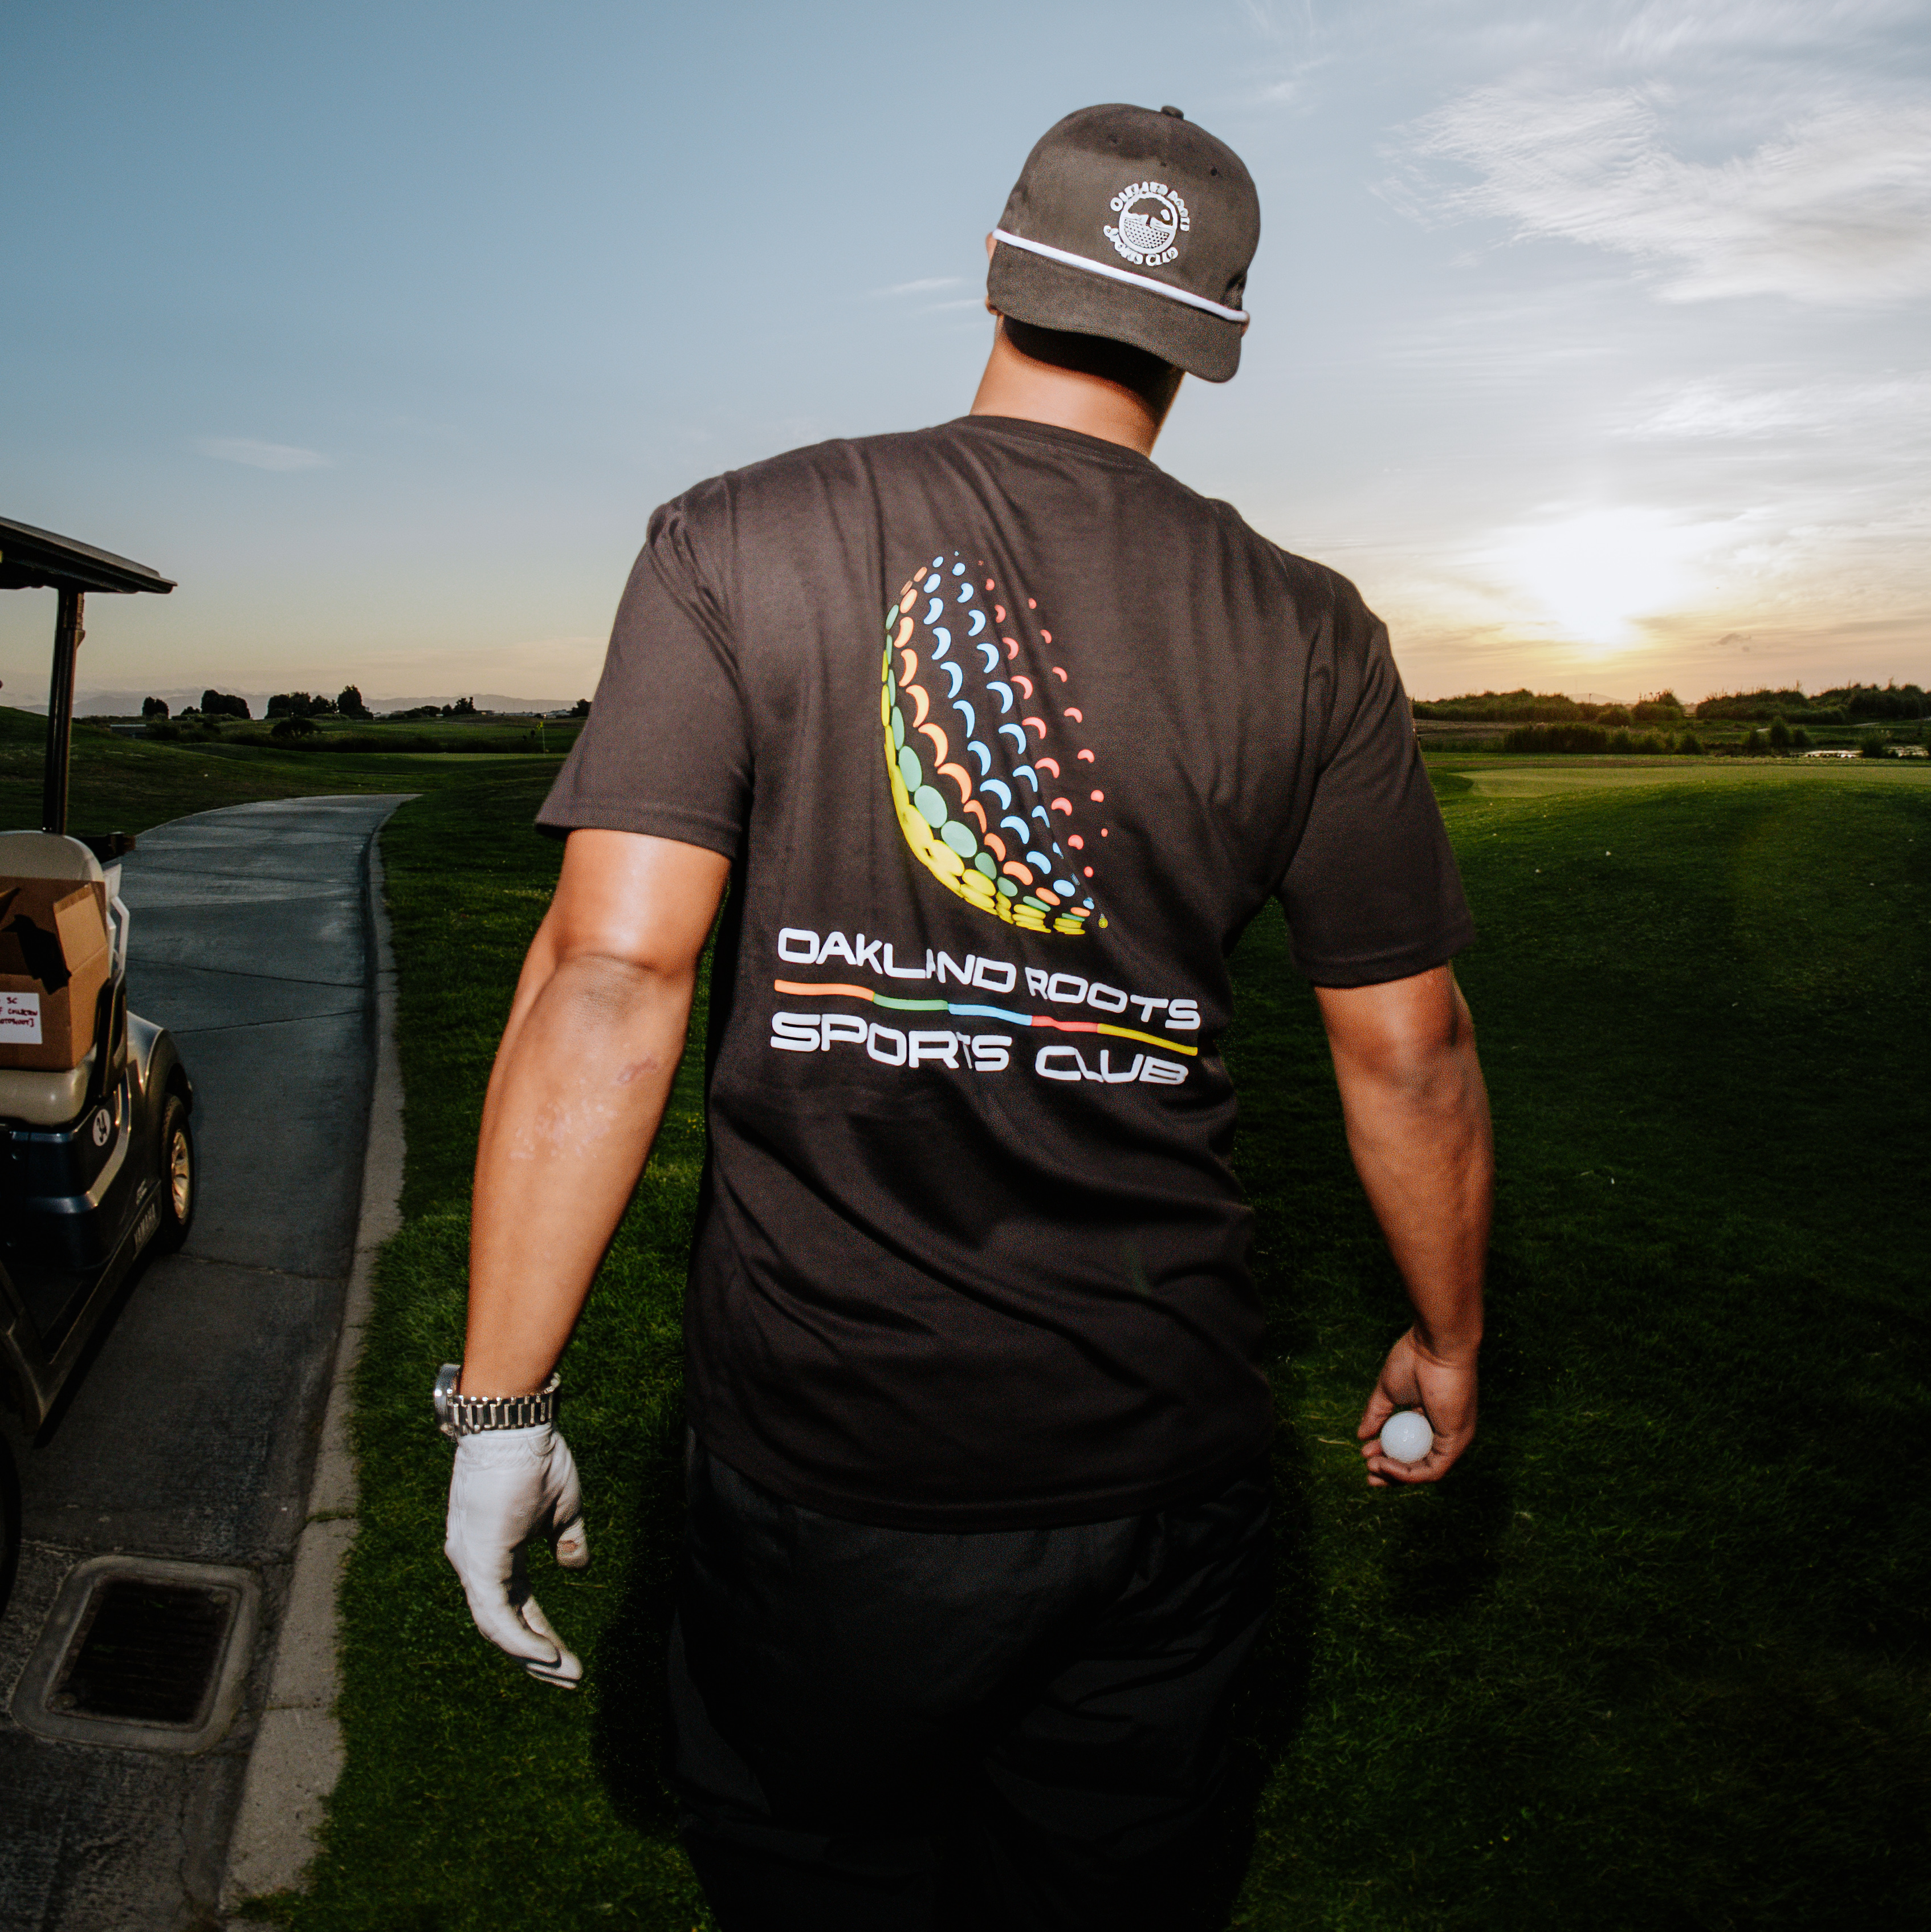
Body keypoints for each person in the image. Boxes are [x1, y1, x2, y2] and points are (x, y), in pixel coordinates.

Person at [438, 102, 1491, 1930]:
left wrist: (502, 1398)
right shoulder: (1310, 632)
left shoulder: (740, 537)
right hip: (1158, 1468)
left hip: (823, 1479)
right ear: (1213, 345)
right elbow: (1409, 1044)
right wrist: (1448, 1333)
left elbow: (611, 975)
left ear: (998, 268)